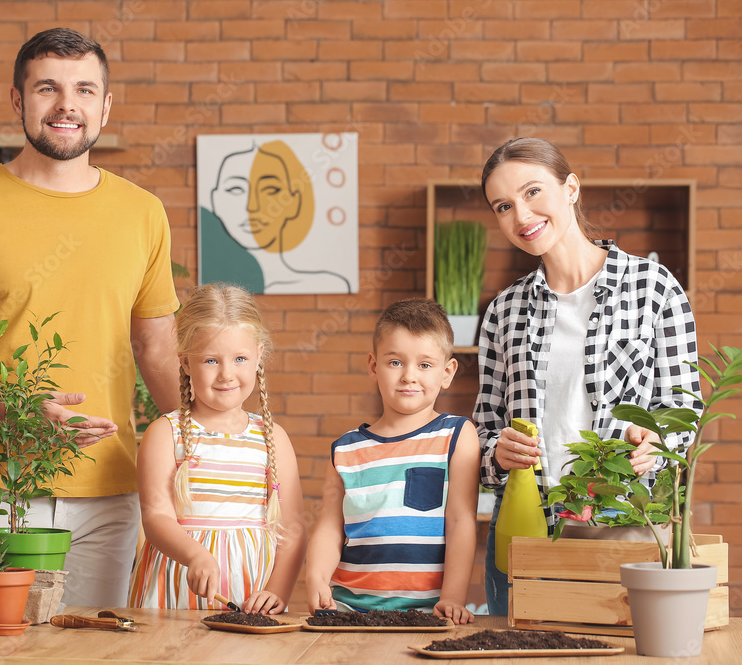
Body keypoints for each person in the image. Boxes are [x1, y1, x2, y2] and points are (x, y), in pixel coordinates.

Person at [0, 28, 181, 610]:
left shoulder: (143, 213)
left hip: (110, 494)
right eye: (47, 87)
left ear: (105, 105)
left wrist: (208, 444)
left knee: (96, 654)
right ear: (18, 101)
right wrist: (19, 411)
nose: (66, 105)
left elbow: (156, 349)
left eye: (84, 89)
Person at [475, 137, 702, 615]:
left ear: (571, 188)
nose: (521, 215)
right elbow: (484, 426)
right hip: (525, 525)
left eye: (533, 192)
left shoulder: (654, 289)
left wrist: (653, 445)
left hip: (622, 521)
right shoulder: (503, 310)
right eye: (503, 205)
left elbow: (684, 411)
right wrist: (496, 450)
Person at [128, 283, 307, 614]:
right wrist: (195, 554)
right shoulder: (164, 434)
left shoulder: (273, 438)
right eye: (211, 360)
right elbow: (156, 517)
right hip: (176, 588)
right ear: (184, 362)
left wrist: (277, 592)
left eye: (240, 358)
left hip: (250, 591)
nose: (227, 374)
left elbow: (292, 529)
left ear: (259, 356)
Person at [305, 299, 479, 625]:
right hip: (349, 610)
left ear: (447, 372)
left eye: (425, 365)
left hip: (428, 613)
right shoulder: (345, 449)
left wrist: (453, 597)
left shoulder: (457, 434)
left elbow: (460, 521)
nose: (409, 376)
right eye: (395, 362)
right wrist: (315, 577)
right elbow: (330, 527)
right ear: (373, 367)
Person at [202, 141, 350, 294]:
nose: (252, 206)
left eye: (270, 189)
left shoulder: (327, 282)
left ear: (294, 202)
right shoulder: (210, 296)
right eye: (236, 189)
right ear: (215, 200)